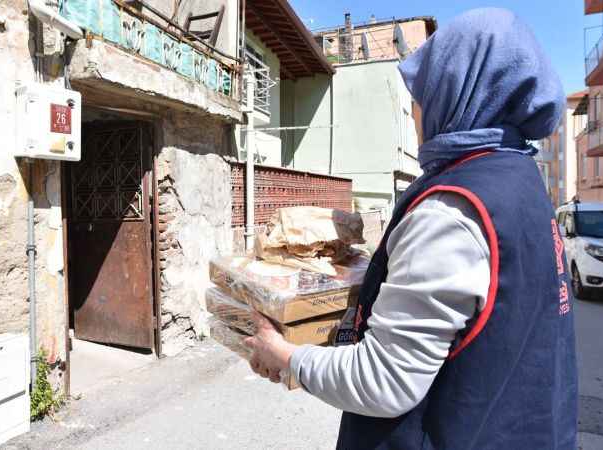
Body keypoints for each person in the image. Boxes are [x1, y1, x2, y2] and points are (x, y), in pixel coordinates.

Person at [244, 7, 578, 450]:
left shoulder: (450, 211)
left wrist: (286, 358)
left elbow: (385, 381)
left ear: (457, 92)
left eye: (420, 96)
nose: (415, 113)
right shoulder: (520, 180)